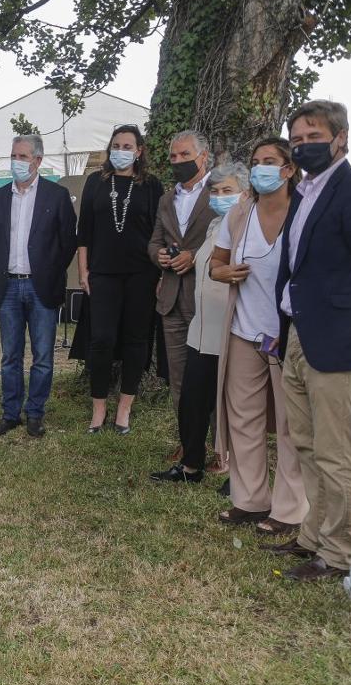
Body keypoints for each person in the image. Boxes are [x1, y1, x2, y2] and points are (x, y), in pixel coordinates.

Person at [268, 100, 351, 582]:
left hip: (335, 341)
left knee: (334, 452)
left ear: (340, 137)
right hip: (298, 335)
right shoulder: (303, 193)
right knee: (303, 442)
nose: (304, 145)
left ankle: (337, 552)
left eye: (313, 136)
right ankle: (312, 536)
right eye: (298, 139)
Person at [199, 145, 307, 535]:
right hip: (244, 332)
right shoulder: (241, 212)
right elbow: (216, 263)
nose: (261, 169)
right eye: (257, 163)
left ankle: (290, 509)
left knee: (293, 423)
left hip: (288, 335)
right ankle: (250, 500)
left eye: (269, 163)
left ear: (289, 169)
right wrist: (224, 273)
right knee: (244, 419)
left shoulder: (303, 211)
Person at [150, 163, 242, 484]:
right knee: (191, 401)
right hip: (201, 331)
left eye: (227, 191)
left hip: (230, 332)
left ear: (244, 193)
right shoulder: (217, 224)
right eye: (214, 191)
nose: (219, 197)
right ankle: (191, 466)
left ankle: (239, 476)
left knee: (235, 407)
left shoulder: (246, 228)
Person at [0, 135, 77, 438]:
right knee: (10, 355)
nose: (16, 162)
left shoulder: (56, 196)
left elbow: (68, 242)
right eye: (13, 155)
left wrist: (49, 269)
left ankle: (35, 412)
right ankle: (10, 414)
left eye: (23, 156)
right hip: (8, 285)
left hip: (41, 287)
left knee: (43, 356)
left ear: (37, 160)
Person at [77, 125, 165, 435]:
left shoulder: (152, 186)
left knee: (136, 340)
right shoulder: (95, 183)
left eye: (128, 145)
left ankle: (124, 407)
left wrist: (160, 273)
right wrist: (83, 270)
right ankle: (99, 407)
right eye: (116, 144)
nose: (121, 150)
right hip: (102, 274)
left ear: (139, 151)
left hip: (142, 274)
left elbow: (160, 232)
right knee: (100, 340)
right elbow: (84, 230)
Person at [148, 130, 216, 412]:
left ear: (204, 157)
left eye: (185, 155)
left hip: (209, 299)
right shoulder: (167, 200)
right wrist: (159, 256)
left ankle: (217, 448)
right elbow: (154, 241)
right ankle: (188, 444)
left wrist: (196, 257)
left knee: (211, 377)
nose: (178, 161)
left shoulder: (223, 191)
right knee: (179, 377)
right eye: (173, 156)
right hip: (172, 300)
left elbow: (235, 240)